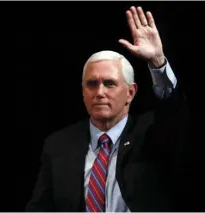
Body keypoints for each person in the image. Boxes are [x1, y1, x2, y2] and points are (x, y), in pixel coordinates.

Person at [26, 6, 189, 212]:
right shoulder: (58, 145)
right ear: (83, 92)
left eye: (110, 84)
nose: (100, 92)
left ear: (130, 93)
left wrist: (157, 62)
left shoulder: (152, 132)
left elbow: (174, 113)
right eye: (92, 84)